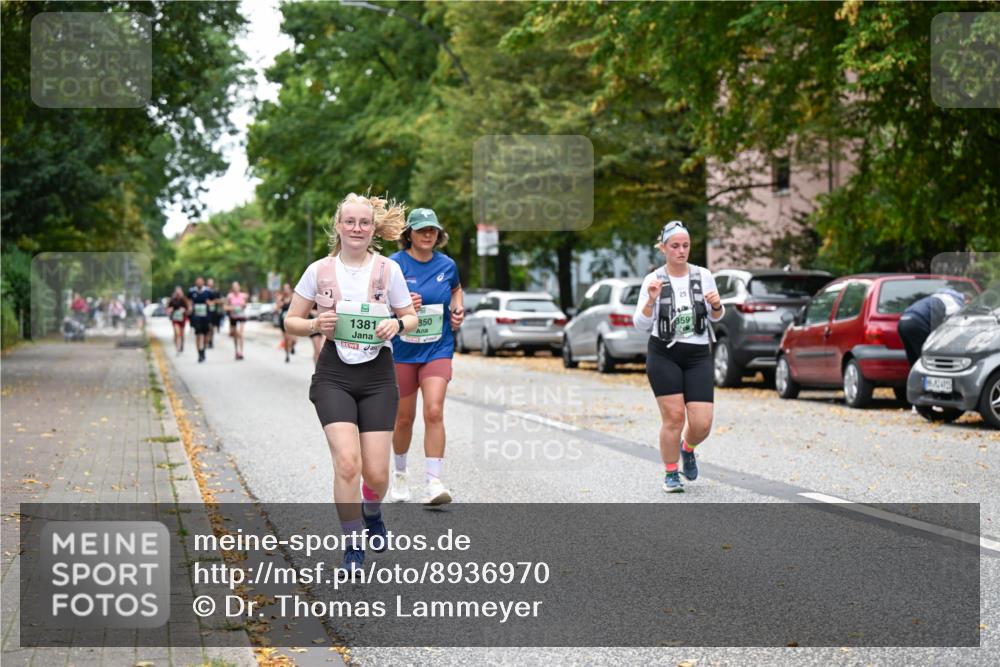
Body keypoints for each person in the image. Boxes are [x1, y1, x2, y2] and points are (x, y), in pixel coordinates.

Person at [283, 192, 418, 574]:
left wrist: (397, 323)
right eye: (350, 222)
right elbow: (290, 321)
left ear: (373, 229)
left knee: (376, 475)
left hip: (377, 375)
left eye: (364, 222)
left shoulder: (387, 270)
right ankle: (353, 543)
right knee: (347, 463)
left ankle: (372, 512)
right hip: (334, 375)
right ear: (338, 227)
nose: (357, 228)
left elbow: (409, 316)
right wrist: (313, 324)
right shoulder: (318, 270)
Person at [633, 220, 725, 493]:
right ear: (663, 248)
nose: (681, 251)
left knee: (702, 424)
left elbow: (717, 316)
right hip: (664, 354)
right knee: (674, 418)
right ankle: (671, 473)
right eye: (675, 246)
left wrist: (718, 306)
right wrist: (651, 300)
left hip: (697, 354)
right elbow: (639, 324)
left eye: (685, 245)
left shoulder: (704, 275)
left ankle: (688, 448)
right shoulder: (653, 280)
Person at [388, 208, 464, 505]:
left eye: (432, 229)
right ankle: (400, 475)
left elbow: (456, 290)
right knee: (403, 418)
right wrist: (401, 305)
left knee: (434, 410)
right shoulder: (394, 265)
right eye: (421, 230)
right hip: (403, 350)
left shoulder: (447, 265)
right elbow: (377, 299)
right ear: (409, 234)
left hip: (438, 347)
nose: (427, 234)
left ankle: (434, 482)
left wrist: (458, 310)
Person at [898, 287, 967, 367]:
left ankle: (916, 378)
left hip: (903, 321)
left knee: (914, 360)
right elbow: (953, 325)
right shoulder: (954, 303)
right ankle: (931, 378)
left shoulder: (937, 297)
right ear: (965, 299)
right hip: (917, 323)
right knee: (928, 359)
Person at [187, 276, 216, 363]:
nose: (199, 283)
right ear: (196, 282)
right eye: (197, 281)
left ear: (203, 282)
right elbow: (188, 300)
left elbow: (214, 300)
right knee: (198, 335)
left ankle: (203, 349)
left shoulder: (208, 291)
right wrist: (190, 306)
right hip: (196, 317)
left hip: (206, 316)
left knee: (206, 335)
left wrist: (210, 303)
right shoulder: (192, 291)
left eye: (201, 281)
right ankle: (199, 353)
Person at [225, 281, 249, 360]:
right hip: (233, 317)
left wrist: (243, 305)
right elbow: (225, 307)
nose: (235, 289)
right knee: (235, 335)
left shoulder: (243, 296)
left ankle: (241, 352)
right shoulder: (229, 296)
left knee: (241, 334)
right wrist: (232, 308)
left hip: (241, 316)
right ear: (232, 288)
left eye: (237, 287)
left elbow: (245, 305)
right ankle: (236, 351)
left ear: (239, 287)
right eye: (234, 287)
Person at [277, 283, 298, 363]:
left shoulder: (293, 297)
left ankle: (292, 346)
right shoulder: (280, 298)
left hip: (292, 319)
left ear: (289, 289)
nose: (286, 290)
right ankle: (287, 355)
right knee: (286, 339)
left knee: (294, 340)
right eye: (284, 288)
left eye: (287, 288)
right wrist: (279, 304)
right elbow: (276, 308)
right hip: (283, 320)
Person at [167, 286, 189, 355]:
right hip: (175, 319)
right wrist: (170, 310)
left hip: (182, 319)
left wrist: (184, 310)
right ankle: (177, 348)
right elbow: (168, 308)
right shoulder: (172, 300)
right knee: (177, 333)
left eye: (179, 292)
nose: (178, 294)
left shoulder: (184, 299)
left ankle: (181, 344)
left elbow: (188, 309)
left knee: (182, 334)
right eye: (177, 293)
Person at [207, 278, 223, 348]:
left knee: (212, 328)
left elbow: (220, 301)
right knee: (207, 327)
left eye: (211, 283)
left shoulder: (216, 292)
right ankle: (206, 340)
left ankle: (210, 341)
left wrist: (214, 302)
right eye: (209, 282)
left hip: (213, 312)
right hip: (206, 312)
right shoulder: (205, 291)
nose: (210, 284)